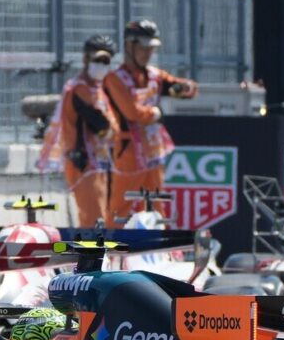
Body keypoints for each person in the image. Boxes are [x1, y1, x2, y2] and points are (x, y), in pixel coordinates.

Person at [103, 19, 198, 227]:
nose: (148, 53)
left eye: (152, 48)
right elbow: (132, 113)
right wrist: (156, 112)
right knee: (120, 206)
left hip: (153, 150)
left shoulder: (154, 75)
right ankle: (110, 251)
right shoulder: (115, 79)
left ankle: (161, 249)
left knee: (157, 203)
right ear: (129, 46)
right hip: (128, 151)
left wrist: (185, 88)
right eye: (144, 47)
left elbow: (183, 87)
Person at [36, 35, 120, 228]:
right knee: (94, 218)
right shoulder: (80, 89)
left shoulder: (97, 89)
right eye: (97, 59)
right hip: (84, 162)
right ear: (85, 59)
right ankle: (94, 258)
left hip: (101, 162)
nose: (102, 65)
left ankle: (99, 257)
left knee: (104, 219)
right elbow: (100, 124)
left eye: (106, 61)